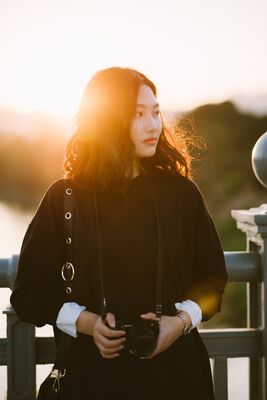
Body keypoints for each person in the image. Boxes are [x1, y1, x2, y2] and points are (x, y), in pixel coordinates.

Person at [10, 66, 228, 399]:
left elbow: (213, 277)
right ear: (108, 121)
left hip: (176, 379)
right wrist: (87, 323)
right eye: (138, 114)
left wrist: (180, 322)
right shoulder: (64, 198)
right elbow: (27, 293)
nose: (153, 125)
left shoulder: (182, 194)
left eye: (156, 112)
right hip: (91, 380)